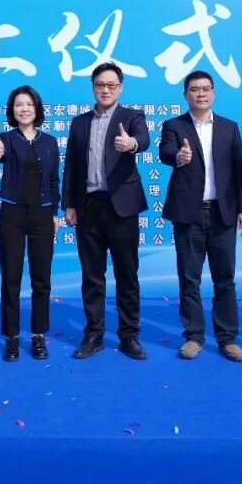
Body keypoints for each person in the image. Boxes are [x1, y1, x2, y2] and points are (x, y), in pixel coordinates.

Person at [159, 70, 242, 362]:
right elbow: (166, 152)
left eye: (205, 89)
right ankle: (194, 336)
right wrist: (179, 157)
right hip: (188, 214)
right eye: (194, 89)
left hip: (222, 213)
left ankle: (227, 338)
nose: (200, 94)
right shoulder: (174, 125)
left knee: (225, 278)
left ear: (213, 93)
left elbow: (240, 171)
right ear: (185, 94)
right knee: (189, 278)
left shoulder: (229, 127)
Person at [62, 62, 150, 360]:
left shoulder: (132, 116)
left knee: (127, 274)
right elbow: (71, 166)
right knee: (92, 275)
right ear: (93, 88)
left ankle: (129, 336)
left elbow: (143, 140)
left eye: (111, 85)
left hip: (122, 208)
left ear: (120, 88)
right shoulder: (80, 122)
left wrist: (131, 143)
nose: (105, 90)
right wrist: (69, 204)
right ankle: (94, 334)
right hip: (88, 206)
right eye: (100, 85)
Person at [0, 85, 60, 361]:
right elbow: (1, 155)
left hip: (43, 215)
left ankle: (38, 336)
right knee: (11, 277)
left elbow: (54, 180)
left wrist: (54, 213)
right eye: (19, 104)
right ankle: (11, 337)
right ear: (12, 110)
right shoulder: (6, 139)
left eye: (29, 104)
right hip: (13, 215)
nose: (24, 109)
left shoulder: (50, 142)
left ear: (37, 108)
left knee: (41, 279)